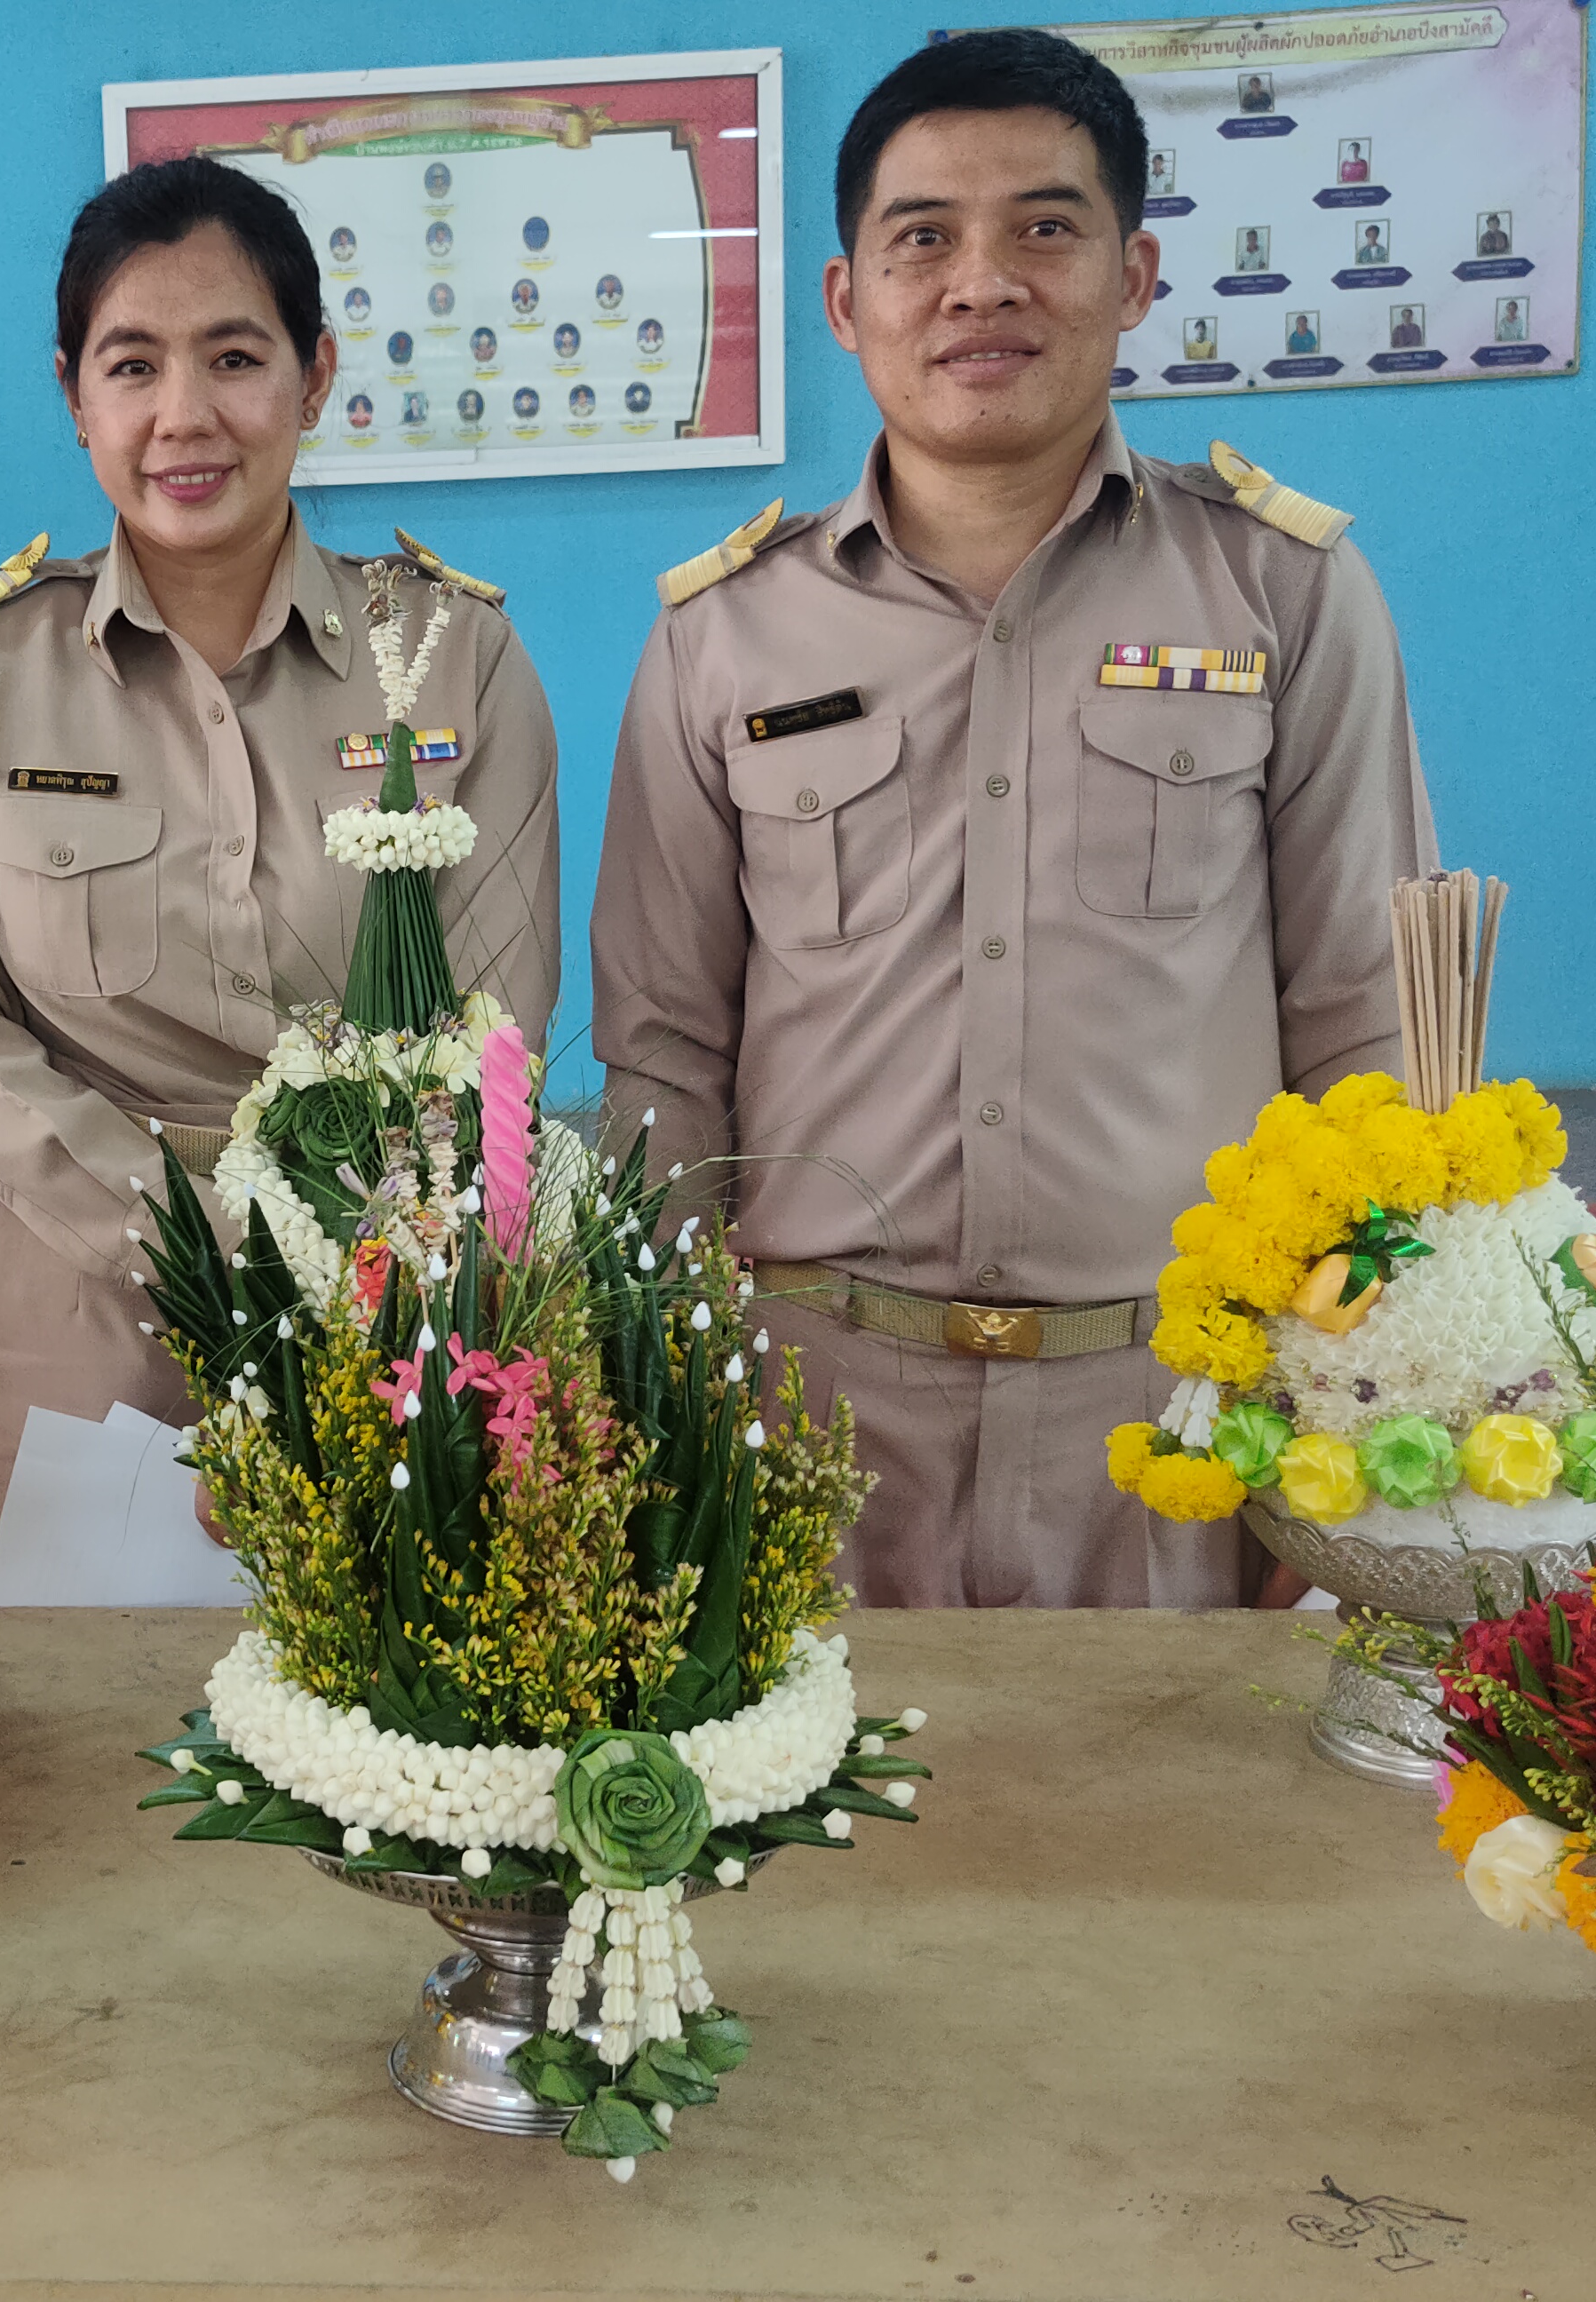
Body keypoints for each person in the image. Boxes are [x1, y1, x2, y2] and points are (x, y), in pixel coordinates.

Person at [588, 28, 1433, 1611]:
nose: (980, 284)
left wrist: (1349, 1404)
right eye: (922, 240)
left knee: (1174, 1785)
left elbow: (1365, 1028)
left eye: (1044, 228)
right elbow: (662, 1053)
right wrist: (656, 1393)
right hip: (810, 1413)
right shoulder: (722, 634)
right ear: (846, 301)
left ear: (1134, 275)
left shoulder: (1281, 591)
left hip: (1177, 1417)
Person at [0, 157, 560, 1604]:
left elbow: (492, 1024)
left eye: (234, 357)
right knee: (77, 1728)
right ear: (75, 395)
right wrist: (206, 1246)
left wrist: (358, 1261)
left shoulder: (451, 655)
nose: (183, 414)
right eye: (132, 364)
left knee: (385, 1709)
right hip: (78, 1309)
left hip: (386, 1309)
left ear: (314, 377)